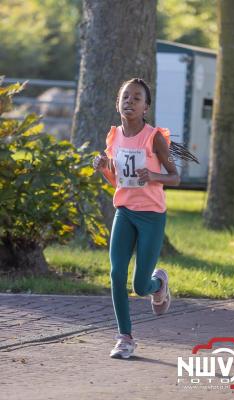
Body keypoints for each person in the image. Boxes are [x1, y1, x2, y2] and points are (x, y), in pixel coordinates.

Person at [93, 77, 180, 359]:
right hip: (125, 212)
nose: (129, 101)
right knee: (117, 273)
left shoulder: (153, 137)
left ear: (146, 107)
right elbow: (118, 182)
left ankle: (159, 285)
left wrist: (153, 175)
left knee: (140, 286)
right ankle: (125, 337)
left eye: (136, 98)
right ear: (118, 103)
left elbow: (175, 177)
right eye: (125, 97)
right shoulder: (114, 136)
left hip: (152, 217)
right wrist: (104, 169)